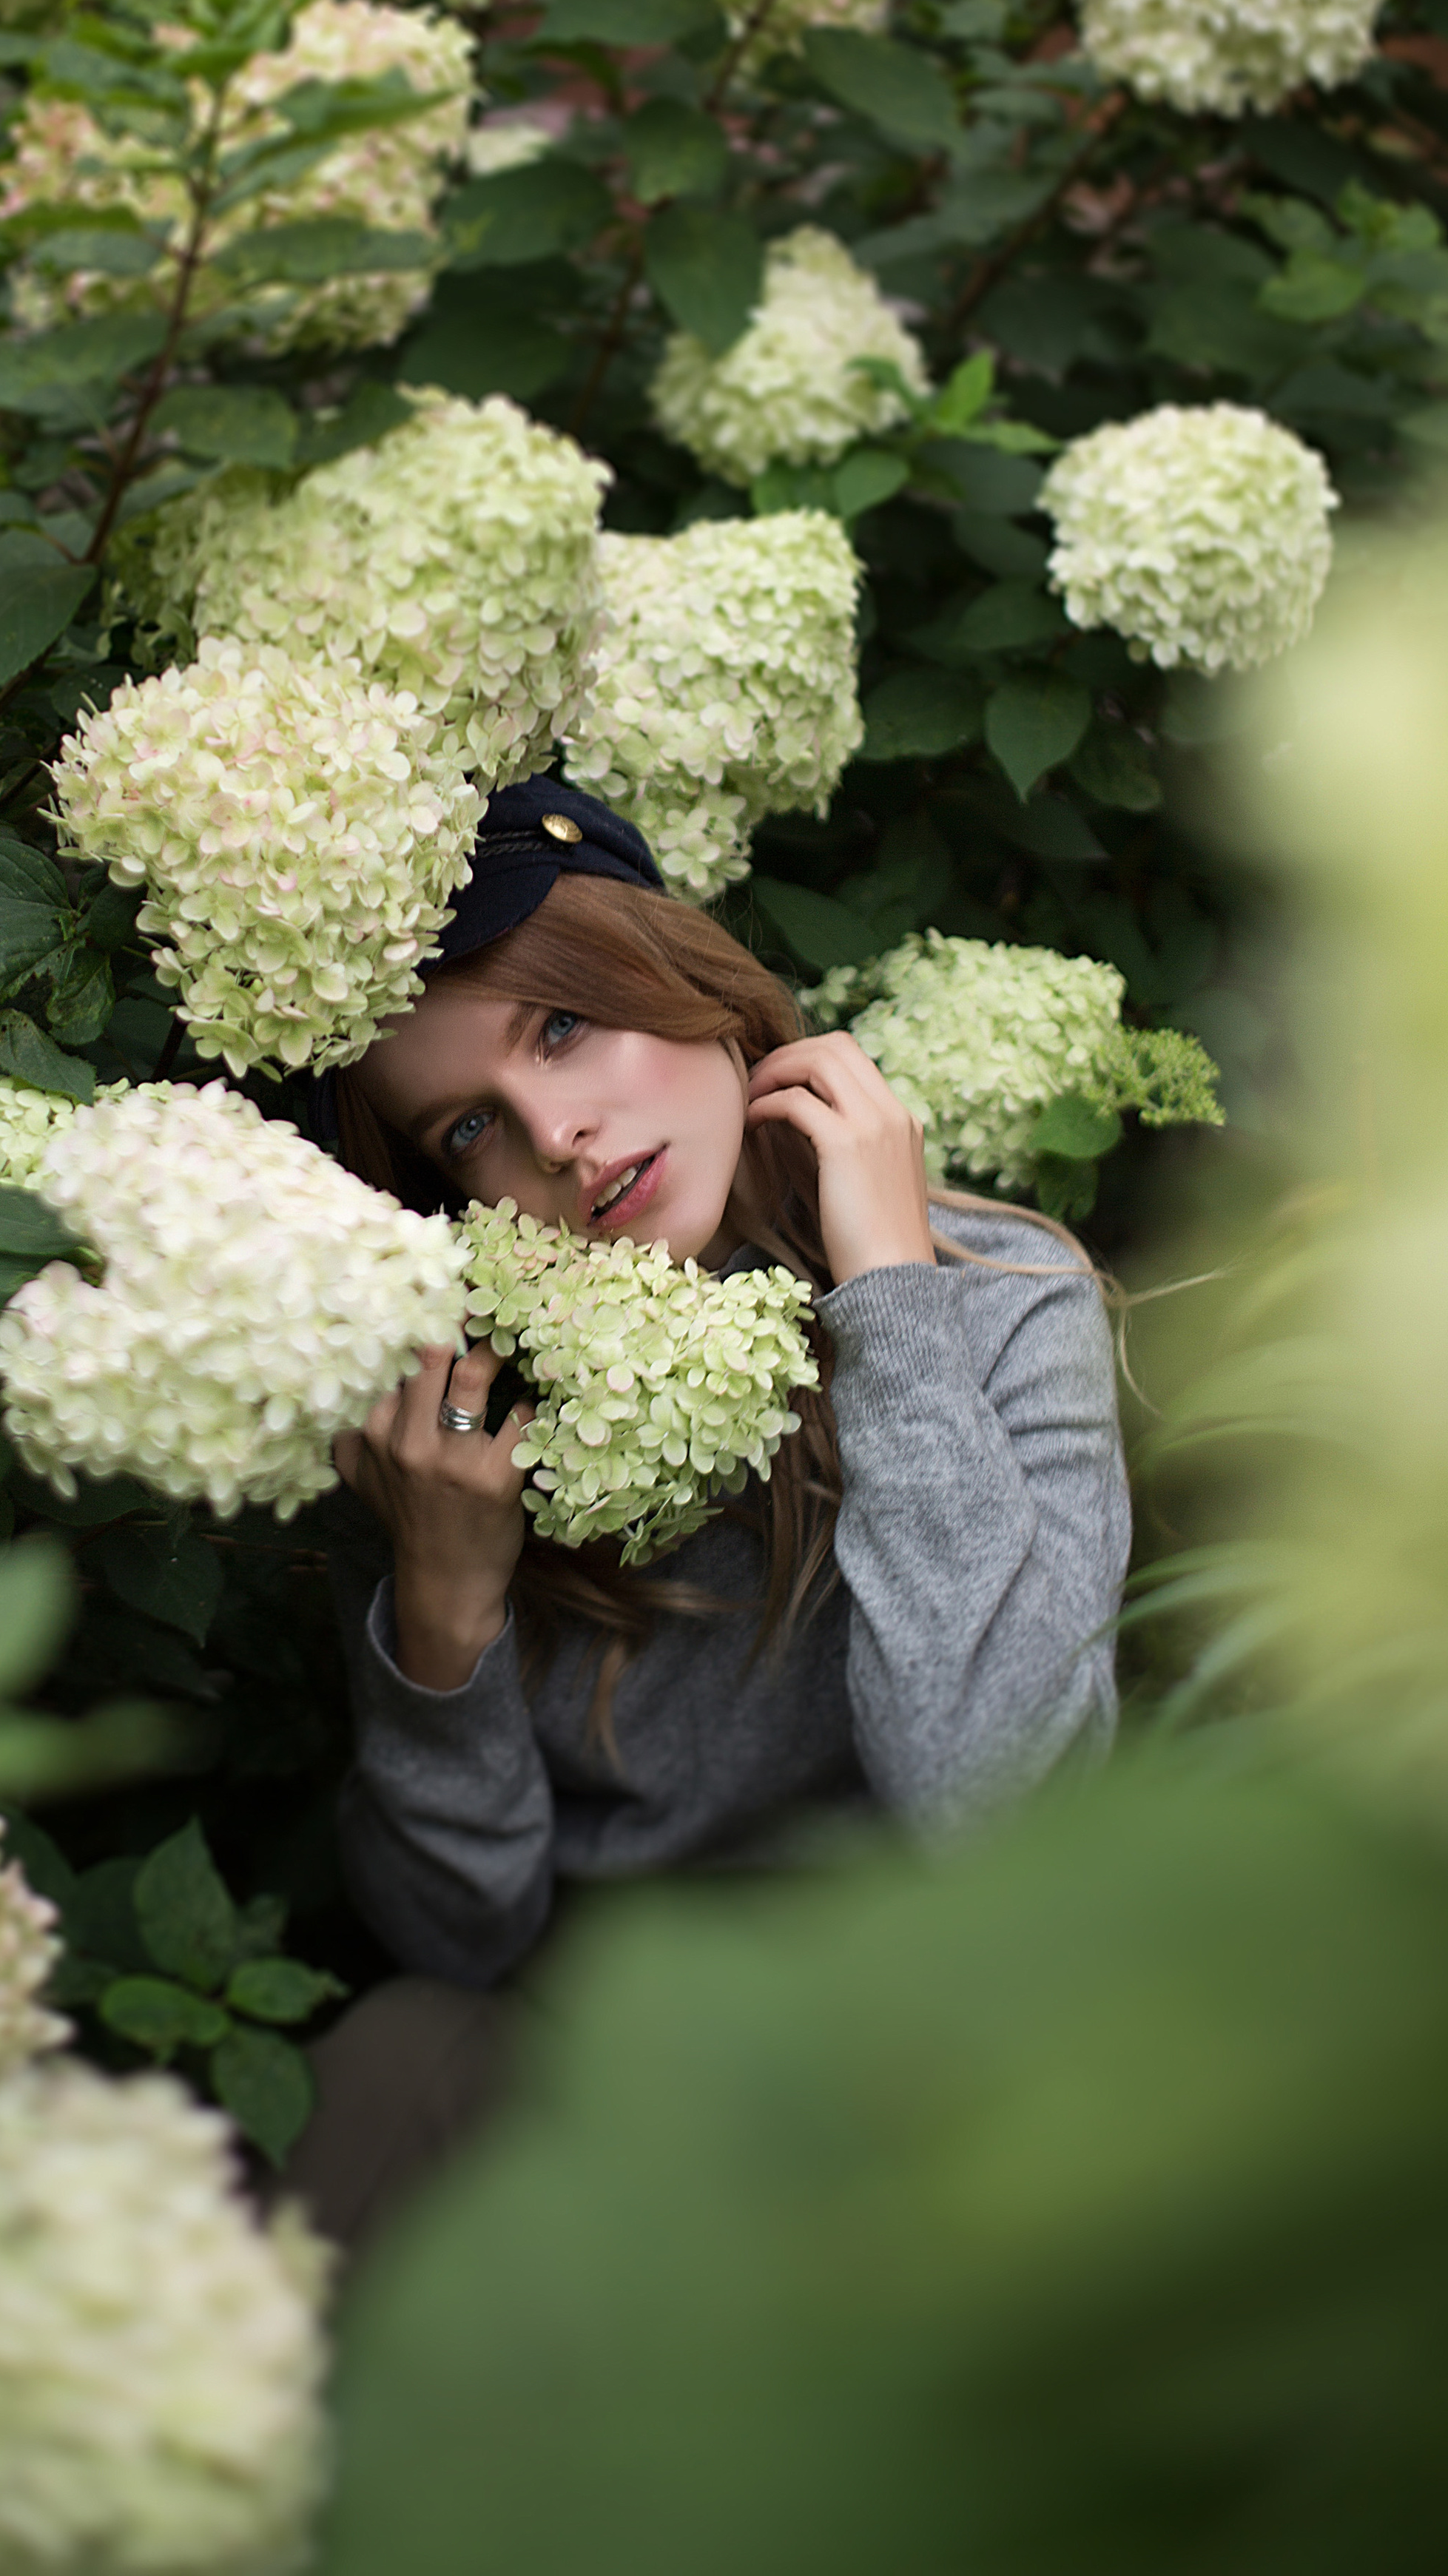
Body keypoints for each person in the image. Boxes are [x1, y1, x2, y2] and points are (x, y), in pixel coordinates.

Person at [281, 777, 1129, 2249]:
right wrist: (443, 1608)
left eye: (561, 1026)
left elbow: (1000, 1821)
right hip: (606, 2064)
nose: (555, 1133)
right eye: (470, 1127)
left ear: (690, 983)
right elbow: (451, 1940)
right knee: (388, 2062)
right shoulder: (468, 1421)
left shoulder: (1000, 1302)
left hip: (929, 2045)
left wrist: (889, 1303)